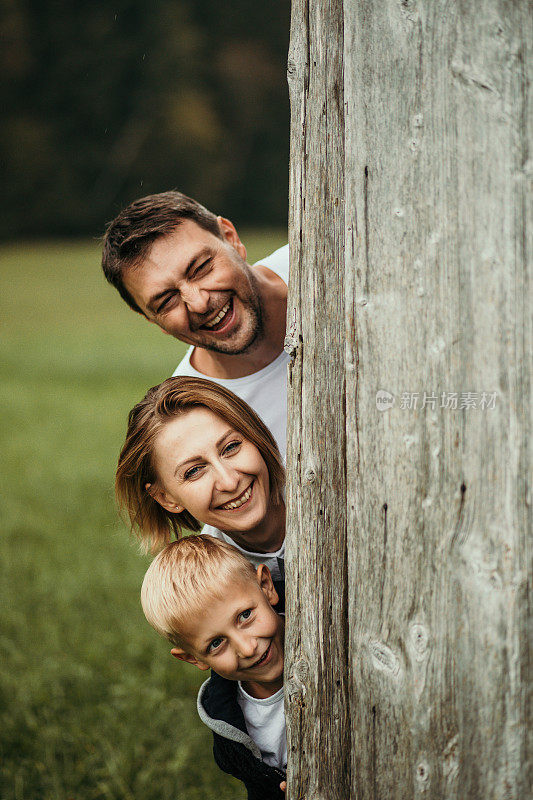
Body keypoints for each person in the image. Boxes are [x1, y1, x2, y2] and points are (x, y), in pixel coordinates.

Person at [101, 191, 290, 458]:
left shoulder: (336, 260)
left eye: (200, 267)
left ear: (231, 238)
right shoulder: (193, 421)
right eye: (167, 301)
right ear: (152, 320)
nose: (199, 303)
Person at [141, 535, 287, 799]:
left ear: (266, 586)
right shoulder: (229, 723)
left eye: (245, 616)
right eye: (217, 643)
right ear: (193, 659)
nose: (247, 648)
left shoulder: (329, 634)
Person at [116, 376, 286, 579]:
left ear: (256, 435)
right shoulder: (206, 584)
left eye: (231, 447)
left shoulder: (327, 485)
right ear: (165, 498)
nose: (229, 482)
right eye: (194, 471)